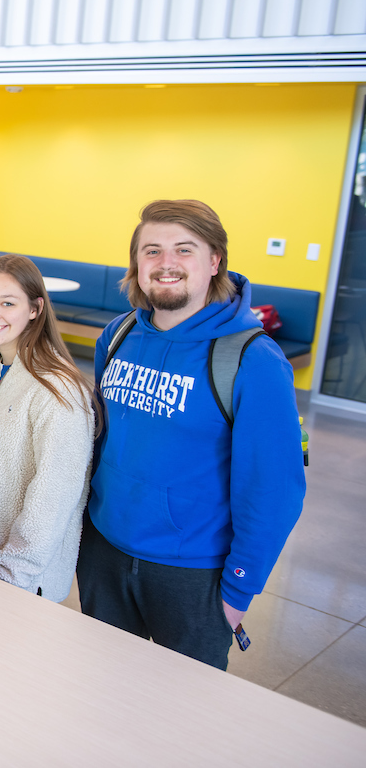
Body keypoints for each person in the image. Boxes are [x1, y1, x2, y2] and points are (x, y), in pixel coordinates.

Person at [77, 199, 305, 670]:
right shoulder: (116, 337)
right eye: (152, 251)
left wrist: (238, 591)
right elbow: (100, 443)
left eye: (184, 250)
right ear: (136, 263)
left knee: (184, 722)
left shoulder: (254, 361)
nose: (166, 264)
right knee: (101, 689)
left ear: (214, 260)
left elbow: (274, 489)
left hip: (193, 574)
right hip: (104, 551)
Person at [0, 254, 94, 601]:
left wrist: (12, 575)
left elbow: (54, 497)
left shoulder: (58, 388)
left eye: (8, 303)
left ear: (35, 309)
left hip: (20, 578)